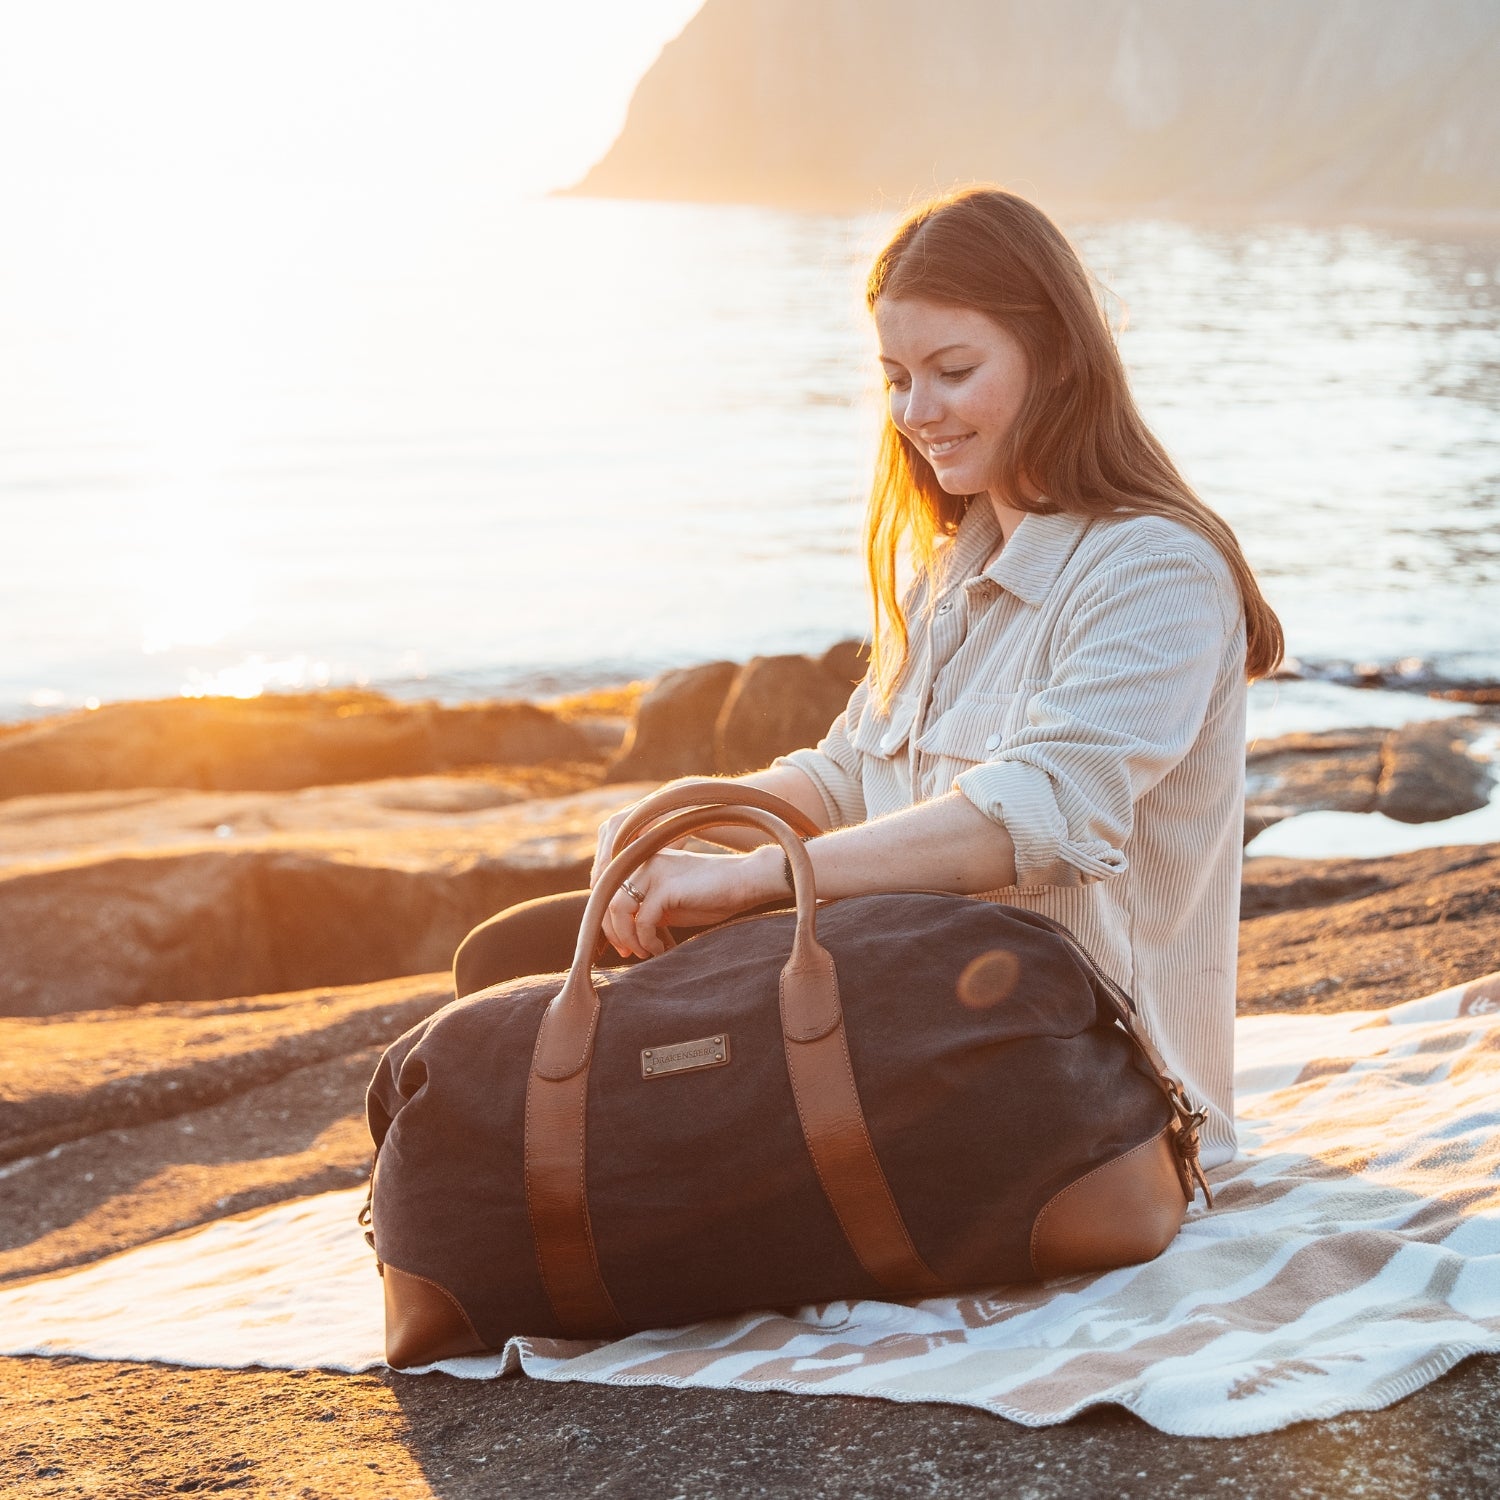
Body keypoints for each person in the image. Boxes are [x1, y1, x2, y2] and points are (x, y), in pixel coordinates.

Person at [453, 186, 1282, 1171]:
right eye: (896, 377)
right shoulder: (960, 563)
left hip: (1075, 1084)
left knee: (569, 1044)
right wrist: (671, 818)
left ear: (1055, 353)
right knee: (512, 962)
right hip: (906, 1013)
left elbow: (1038, 812)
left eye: (952, 371)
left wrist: (752, 881)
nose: (915, 412)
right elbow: (847, 779)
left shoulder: (1156, 569)